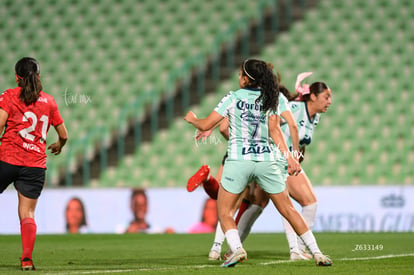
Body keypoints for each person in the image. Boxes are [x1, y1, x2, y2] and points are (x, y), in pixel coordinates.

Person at [184, 58, 332, 267]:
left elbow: (209, 124)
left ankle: (236, 249)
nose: (238, 78)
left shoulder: (233, 97)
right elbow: (276, 130)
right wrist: (290, 156)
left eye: (240, 75)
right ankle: (317, 253)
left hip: (239, 161)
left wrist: (193, 120)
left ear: (245, 79)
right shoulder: (271, 98)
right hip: (266, 160)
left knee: (225, 211)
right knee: (289, 209)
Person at [236, 72, 333, 260]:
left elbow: (301, 140)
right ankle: (296, 249)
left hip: (287, 160)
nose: (329, 101)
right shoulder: (295, 107)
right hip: (278, 160)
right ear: (313, 96)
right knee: (307, 202)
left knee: (258, 204)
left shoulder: (315, 117)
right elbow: (270, 125)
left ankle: (235, 247)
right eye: (326, 97)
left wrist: (297, 155)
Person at [0, 57, 68, 271]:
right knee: (27, 214)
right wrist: (59, 145)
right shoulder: (49, 101)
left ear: (16, 76)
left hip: (7, 159)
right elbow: (64, 134)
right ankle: (27, 260)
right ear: (39, 76)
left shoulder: (9, 96)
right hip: (35, 165)